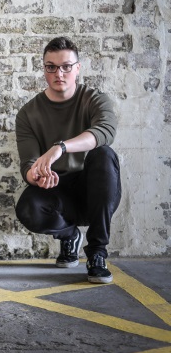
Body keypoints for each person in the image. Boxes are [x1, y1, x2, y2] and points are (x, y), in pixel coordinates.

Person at [15, 36, 121, 284]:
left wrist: (60, 147)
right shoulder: (28, 113)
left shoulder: (95, 99)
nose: (59, 73)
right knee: (28, 207)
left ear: (78, 68)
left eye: (66, 66)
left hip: (97, 191)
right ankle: (69, 235)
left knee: (104, 154)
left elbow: (106, 131)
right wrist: (37, 176)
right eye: (51, 67)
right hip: (58, 191)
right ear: (44, 69)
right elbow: (28, 164)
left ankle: (97, 253)